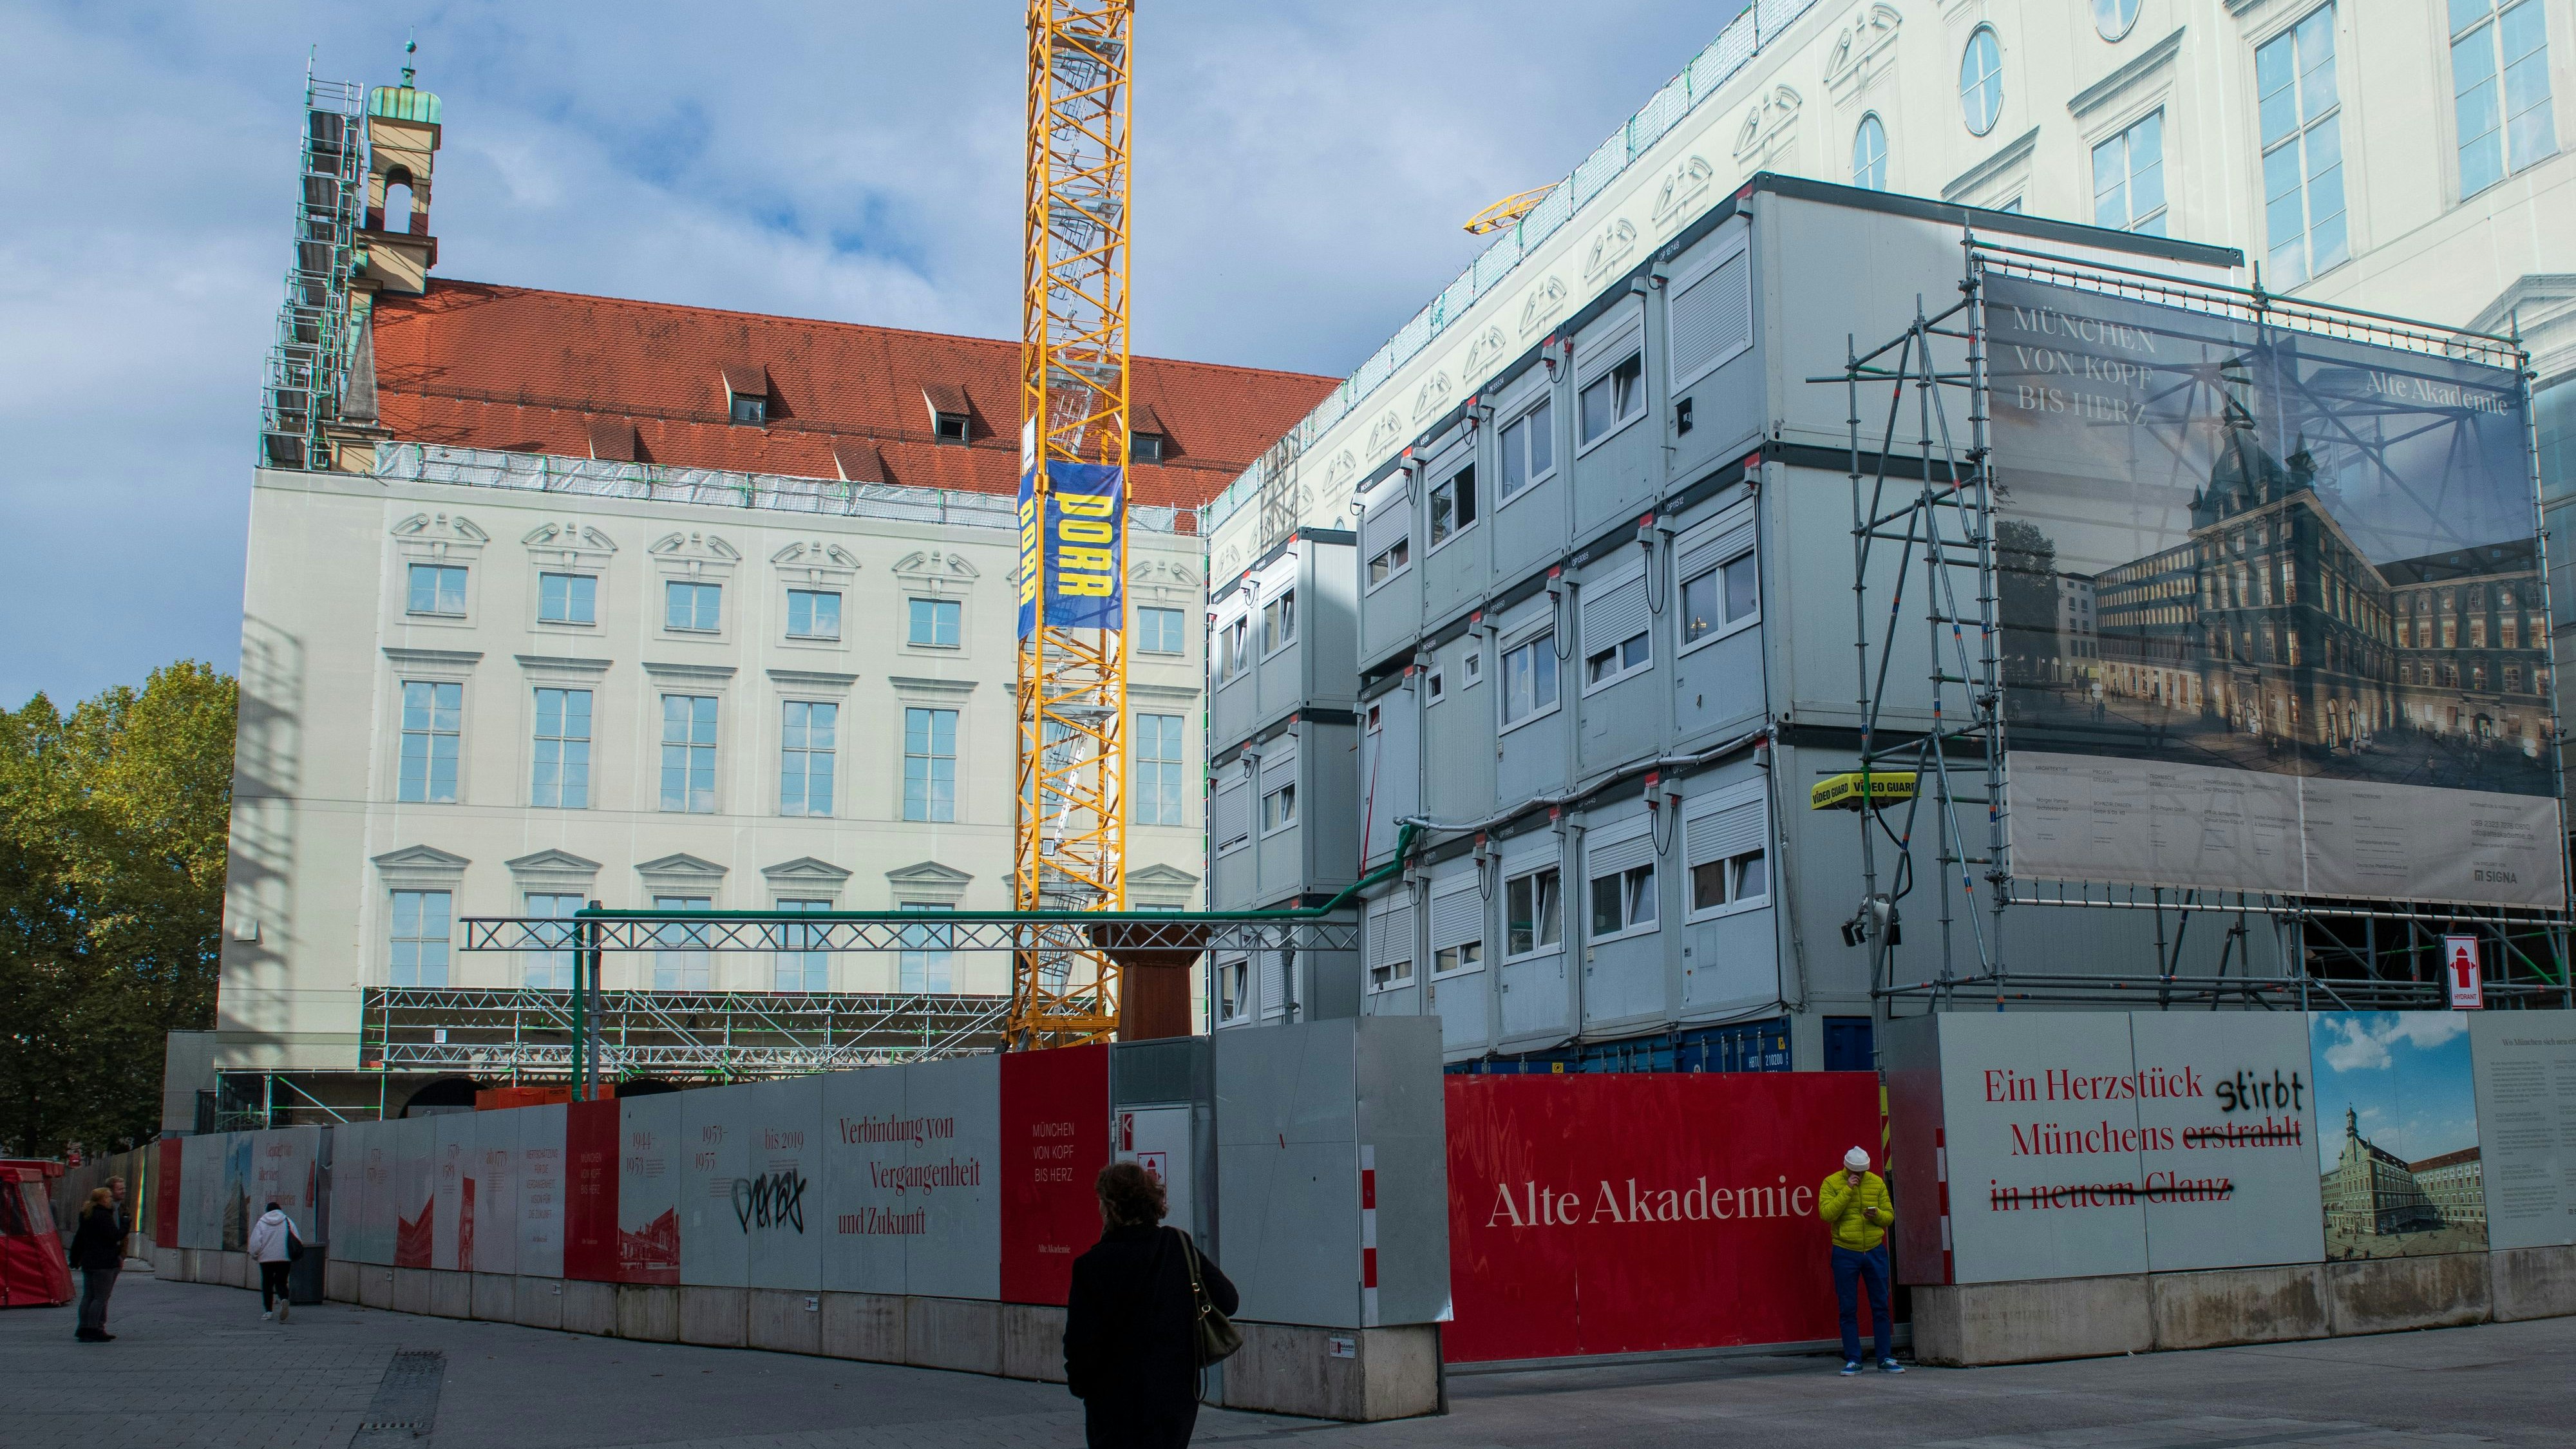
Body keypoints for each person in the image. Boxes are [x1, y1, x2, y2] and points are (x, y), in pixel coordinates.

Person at [1063, 1162, 1238, 1449]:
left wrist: (1083, 1387)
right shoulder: (1178, 1246)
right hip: (1175, 1402)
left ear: (1110, 1208)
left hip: (1113, 1405)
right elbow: (1229, 1301)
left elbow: (1080, 1343)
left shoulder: (1091, 1266)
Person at [1818, 1145, 1902, 1376]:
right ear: (1846, 1167)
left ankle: (1885, 1358)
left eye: (1863, 1171)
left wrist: (1877, 1217)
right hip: (1845, 1251)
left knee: (1881, 1306)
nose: (1860, 1175)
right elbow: (1826, 1214)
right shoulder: (1832, 1183)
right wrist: (1847, 1191)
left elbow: (1889, 1216)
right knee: (1848, 1307)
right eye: (1856, 1171)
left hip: (1875, 1250)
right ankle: (1853, 1359)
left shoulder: (1876, 1182)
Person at [67, 1188, 125, 1342]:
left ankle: (83, 1327)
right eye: (109, 1197)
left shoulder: (86, 1215)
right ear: (103, 1199)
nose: (111, 1200)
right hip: (104, 1262)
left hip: (89, 1261)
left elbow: (79, 1238)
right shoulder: (103, 1216)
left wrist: (74, 1257)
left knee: (88, 1296)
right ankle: (94, 1329)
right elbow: (114, 1236)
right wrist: (125, 1226)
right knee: (101, 1297)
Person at [246, 1200, 300, 1321]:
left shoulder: (262, 1223)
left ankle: (268, 1311)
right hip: (284, 1258)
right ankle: (284, 1298)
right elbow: (296, 1238)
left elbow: (255, 1243)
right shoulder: (287, 1221)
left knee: (267, 1284)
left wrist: (255, 1255)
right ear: (279, 1209)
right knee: (281, 1281)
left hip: (266, 1259)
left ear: (268, 1211)